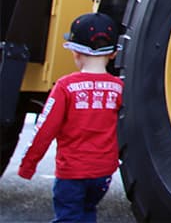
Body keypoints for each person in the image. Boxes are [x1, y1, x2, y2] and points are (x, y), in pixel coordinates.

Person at [18, 12, 124, 223]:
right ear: (113, 54)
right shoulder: (119, 88)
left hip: (72, 174)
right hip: (103, 175)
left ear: (75, 52)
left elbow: (45, 129)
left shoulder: (66, 87)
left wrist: (28, 165)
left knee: (68, 217)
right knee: (87, 212)